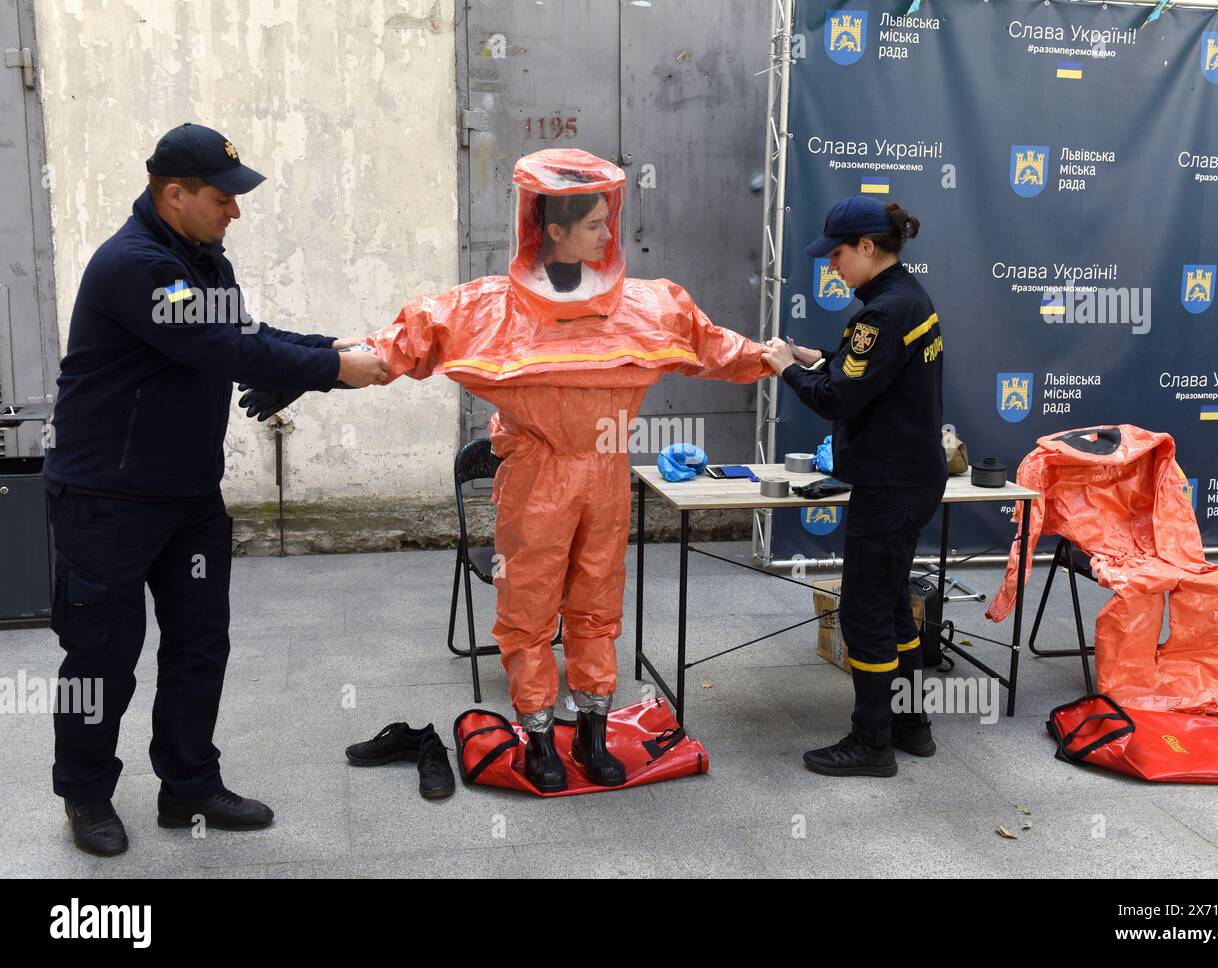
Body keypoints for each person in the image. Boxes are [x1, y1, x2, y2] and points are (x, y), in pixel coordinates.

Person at [240, 148, 772, 792]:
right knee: (528, 610)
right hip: (538, 479)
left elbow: (713, 345)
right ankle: (540, 737)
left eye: (609, 221)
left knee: (598, 606)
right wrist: (310, 372)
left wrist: (776, 358)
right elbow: (399, 346)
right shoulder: (490, 310)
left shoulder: (646, 305)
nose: (609, 235)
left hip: (603, 474)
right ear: (553, 228)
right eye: (595, 223)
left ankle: (594, 736)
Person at [42, 123, 388, 856]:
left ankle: (190, 786)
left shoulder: (202, 258)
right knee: (101, 654)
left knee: (200, 643)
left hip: (188, 495)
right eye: (223, 197)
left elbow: (243, 331)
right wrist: (332, 372)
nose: (236, 210)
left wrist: (323, 350)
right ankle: (84, 793)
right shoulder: (136, 266)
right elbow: (222, 346)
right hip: (107, 498)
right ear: (174, 194)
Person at [761, 195, 945, 777]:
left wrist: (784, 369)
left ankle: (871, 745)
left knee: (864, 615)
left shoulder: (883, 313)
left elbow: (840, 396)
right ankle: (911, 725)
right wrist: (818, 357)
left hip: (888, 486)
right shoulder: (905, 298)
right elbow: (867, 374)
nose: (832, 266)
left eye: (837, 254)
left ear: (868, 248)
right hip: (912, 479)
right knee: (893, 608)